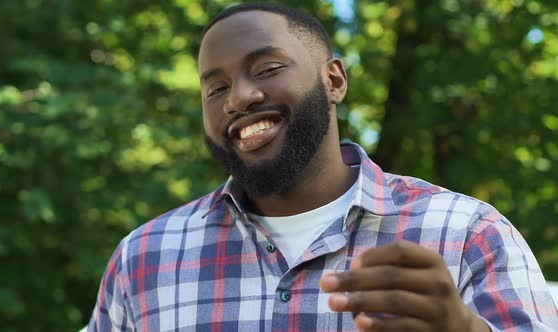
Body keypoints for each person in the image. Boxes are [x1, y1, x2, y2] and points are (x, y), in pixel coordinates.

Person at [87, 3, 558, 331]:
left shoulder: (467, 234)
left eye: (268, 69)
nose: (240, 98)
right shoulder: (144, 258)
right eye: (215, 88)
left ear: (333, 79)